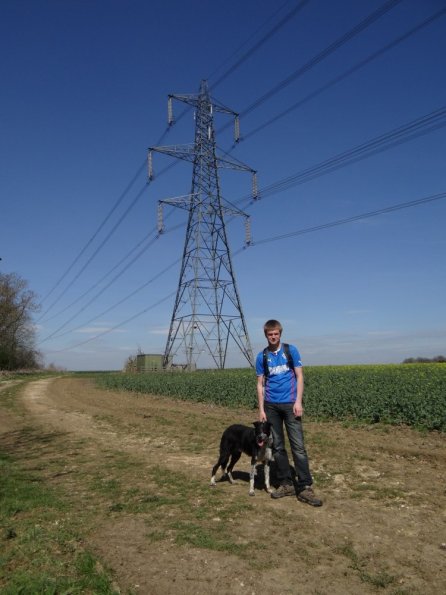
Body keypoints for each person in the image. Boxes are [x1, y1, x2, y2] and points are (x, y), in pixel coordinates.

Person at [256, 319, 322, 506]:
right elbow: (260, 384)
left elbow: (300, 376)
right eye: (270, 334)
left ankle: (305, 486)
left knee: (298, 447)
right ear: (266, 335)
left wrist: (298, 401)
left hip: (291, 405)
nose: (273, 336)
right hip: (271, 407)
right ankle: (286, 483)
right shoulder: (262, 357)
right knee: (278, 447)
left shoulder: (290, 350)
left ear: (280, 334)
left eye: (276, 333)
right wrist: (261, 409)